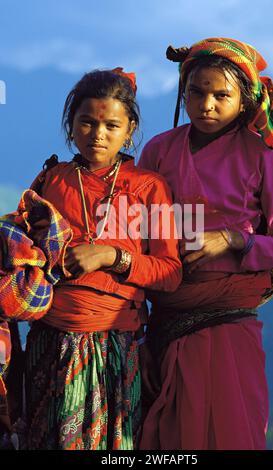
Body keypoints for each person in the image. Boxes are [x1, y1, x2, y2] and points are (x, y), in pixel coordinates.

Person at [138, 37, 273, 450]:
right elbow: (134, 229)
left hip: (227, 320)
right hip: (165, 313)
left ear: (244, 101)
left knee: (228, 430)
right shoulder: (159, 149)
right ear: (183, 91)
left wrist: (232, 240)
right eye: (196, 91)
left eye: (220, 95)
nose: (206, 105)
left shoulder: (260, 154)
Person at [16, 68, 181, 450]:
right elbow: (22, 251)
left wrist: (112, 256)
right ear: (71, 125)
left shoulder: (147, 187)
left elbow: (170, 273)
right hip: (49, 342)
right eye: (87, 122)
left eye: (111, 124)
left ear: (130, 129)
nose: (98, 134)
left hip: (113, 348)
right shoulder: (51, 181)